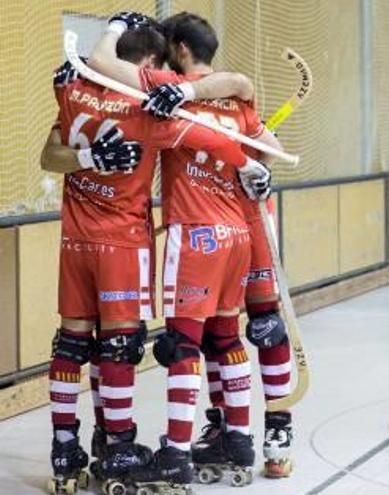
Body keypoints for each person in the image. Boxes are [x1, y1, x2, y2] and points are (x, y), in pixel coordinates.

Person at [42, 17, 268, 492]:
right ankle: (124, 444)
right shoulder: (147, 109)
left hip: (75, 240)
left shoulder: (73, 89)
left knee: (72, 343)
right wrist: (248, 162)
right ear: (150, 63)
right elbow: (213, 132)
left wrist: (85, 157)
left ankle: (67, 448)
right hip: (127, 241)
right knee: (124, 346)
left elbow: (50, 153)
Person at [142, 11, 294, 479]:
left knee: (257, 326)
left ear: (180, 51)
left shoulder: (178, 95)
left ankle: (274, 431)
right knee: (221, 335)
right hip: (236, 229)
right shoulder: (231, 100)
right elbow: (253, 115)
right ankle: (229, 430)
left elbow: (245, 94)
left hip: (236, 223)